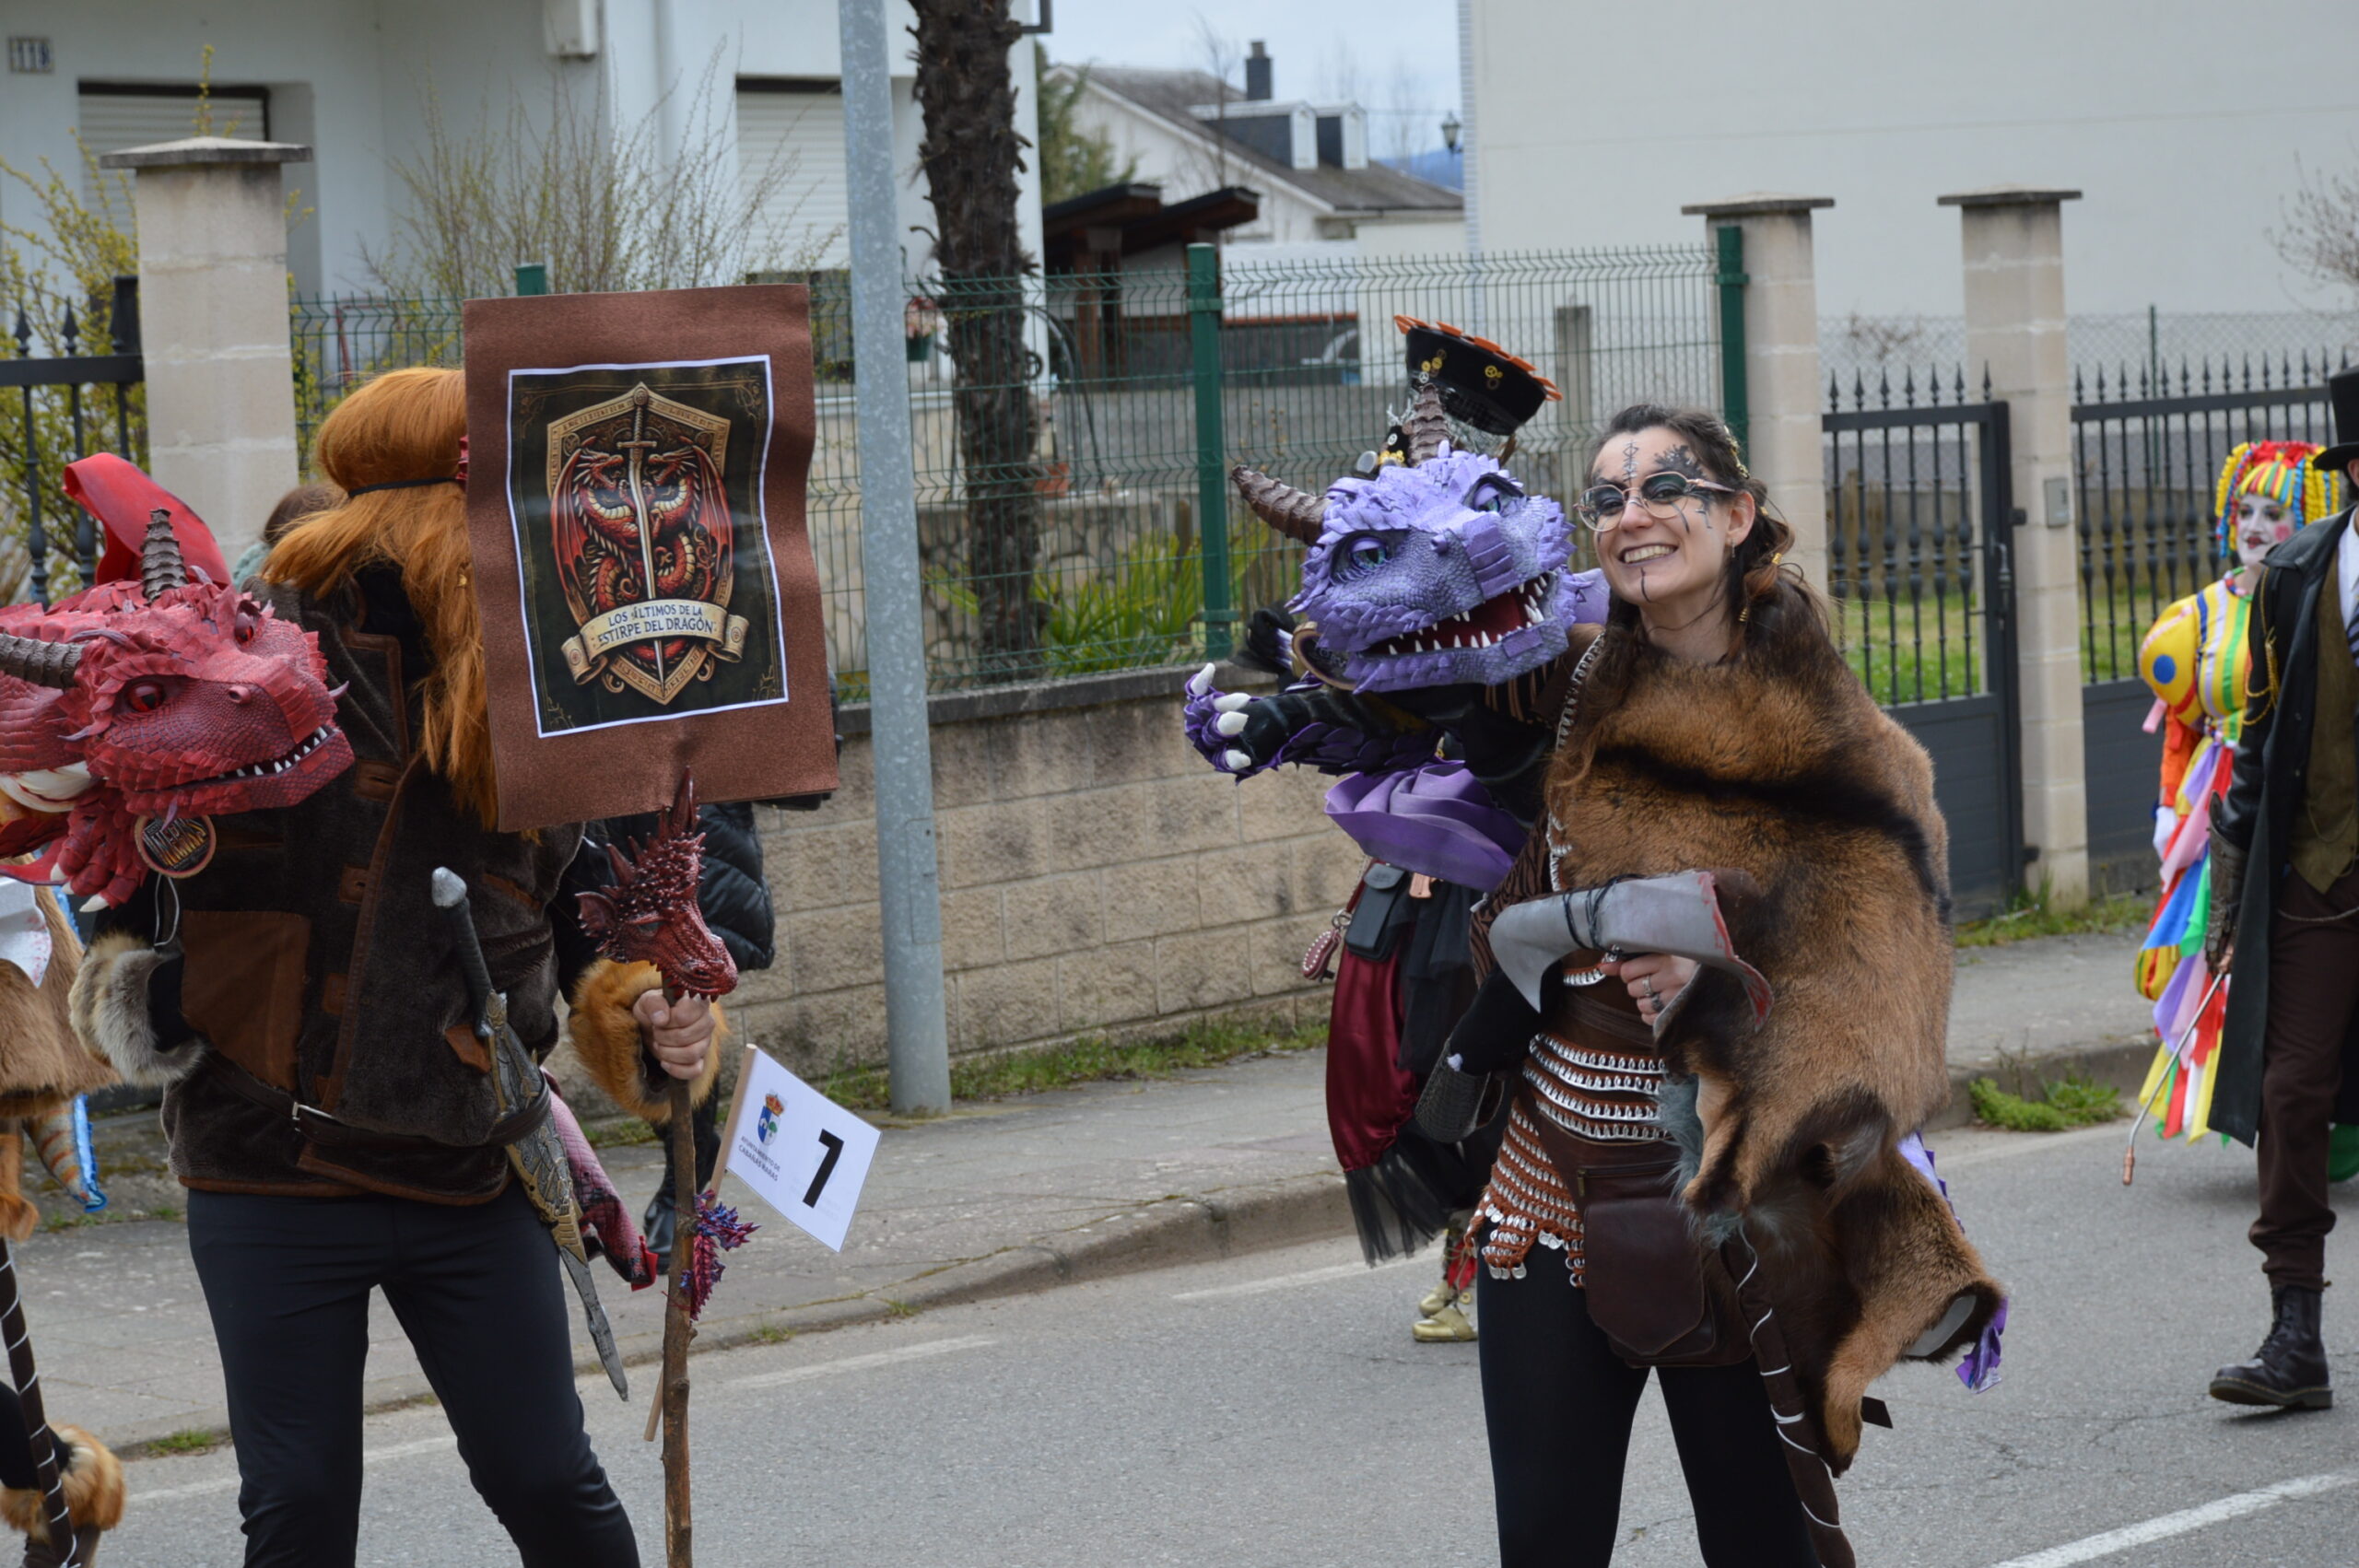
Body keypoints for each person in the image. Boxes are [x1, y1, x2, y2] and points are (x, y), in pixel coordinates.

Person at [65, 367, 721, 1566]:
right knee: (300, 1504)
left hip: (475, 1166)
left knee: (547, 1478)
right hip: (270, 1172)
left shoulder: (535, 701)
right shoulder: (234, 670)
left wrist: (655, 1023)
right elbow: (125, 912)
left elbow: (600, 938)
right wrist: (167, 994)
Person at [1442, 404, 2001, 1567]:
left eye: (1666, 488)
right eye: (1607, 496)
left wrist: (1725, 976)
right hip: (1550, 1174)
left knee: (1759, 1545)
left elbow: (1894, 996)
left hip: (1735, 1196)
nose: (1632, 516)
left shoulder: (1842, 745)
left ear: (1737, 515)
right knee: (1542, 1543)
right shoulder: (1563, 682)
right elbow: (1405, 679)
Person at [2202, 367, 2359, 1410]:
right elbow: (2256, 744)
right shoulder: (2299, 569)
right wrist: (2227, 891)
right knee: (2291, 1091)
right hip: (2316, 873)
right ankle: (2293, 1331)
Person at [2132, 441, 2344, 1147]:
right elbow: (2181, 728)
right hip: (2221, 809)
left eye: (2274, 511)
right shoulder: (2195, 616)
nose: (2254, 524)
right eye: (2244, 509)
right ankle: (2236, 1101)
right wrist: (2175, 808)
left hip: (2309, 807)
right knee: (2219, 949)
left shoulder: (2314, 591)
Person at [573, 800, 776, 1270]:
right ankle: (679, 1190)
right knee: (663, 1023)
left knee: (694, 1013)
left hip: (698, 837)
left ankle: (681, 1193)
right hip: (616, 823)